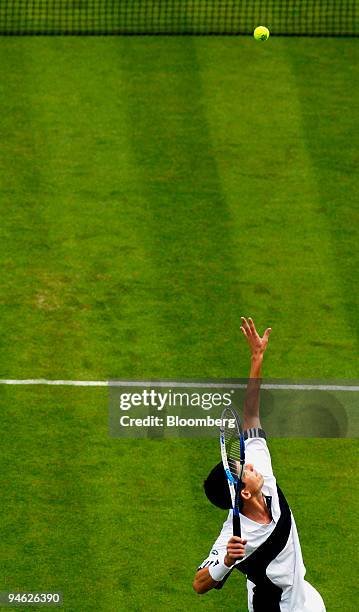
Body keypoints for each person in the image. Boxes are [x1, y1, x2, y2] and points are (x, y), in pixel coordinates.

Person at [193, 317, 326, 612]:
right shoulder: (236, 536)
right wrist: (227, 561)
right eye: (246, 470)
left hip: (306, 600)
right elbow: (199, 583)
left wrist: (256, 358)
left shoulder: (260, 474)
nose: (252, 467)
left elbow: (251, 416)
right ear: (243, 492)